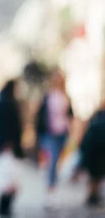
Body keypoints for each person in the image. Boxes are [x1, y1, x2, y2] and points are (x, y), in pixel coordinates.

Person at [35, 68, 73, 207]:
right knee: (51, 163)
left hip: (62, 133)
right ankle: (50, 192)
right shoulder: (48, 96)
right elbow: (40, 115)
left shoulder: (66, 97)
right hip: (49, 133)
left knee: (57, 163)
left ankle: (53, 189)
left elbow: (70, 116)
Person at [0, 79, 23, 217]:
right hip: (8, 144)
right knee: (8, 176)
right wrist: (8, 142)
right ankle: (4, 205)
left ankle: (3, 205)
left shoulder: (2, 101)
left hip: (5, 143)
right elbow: (8, 124)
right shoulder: (7, 103)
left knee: (7, 175)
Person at [79, 99, 105, 207]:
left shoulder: (95, 118)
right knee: (96, 176)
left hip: (95, 153)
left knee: (95, 176)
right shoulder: (98, 119)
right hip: (97, 152)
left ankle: (93, 195)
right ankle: (92, 195)